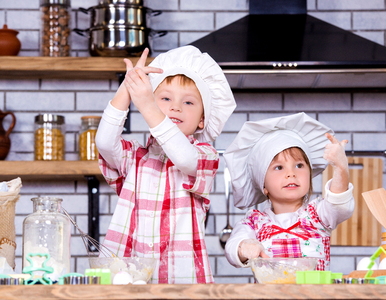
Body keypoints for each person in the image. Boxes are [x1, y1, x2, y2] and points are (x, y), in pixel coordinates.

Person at [95, 45, 236, 284]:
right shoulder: (135, 157)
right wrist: (128, 88)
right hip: (126, 279)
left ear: (202, 120)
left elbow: (184, 158)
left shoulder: (205, 156)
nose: (175, 107)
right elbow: (104, 143)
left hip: (181, 282)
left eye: (189, 102)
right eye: (166, 98)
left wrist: (149, 104)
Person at [223, 113, 354, 271]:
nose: (291, 173)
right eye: (279, 167)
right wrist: (244, 246)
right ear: (263, 185)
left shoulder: (318, 215)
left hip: (314, 296)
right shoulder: (253, 223)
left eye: (299, 165)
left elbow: (339, 204)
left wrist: (341, 168)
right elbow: (232, 246)